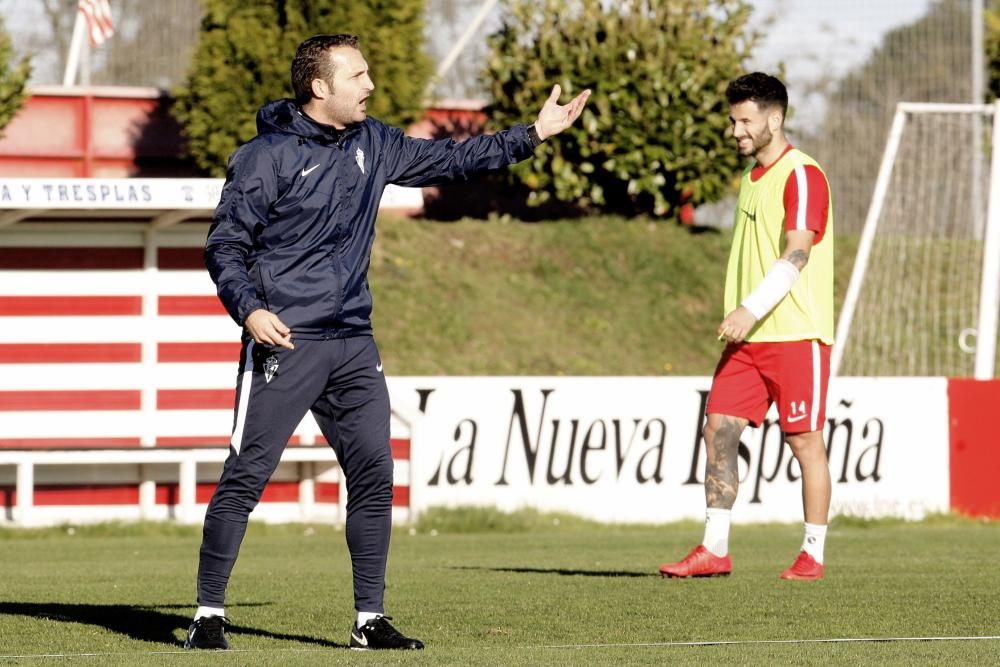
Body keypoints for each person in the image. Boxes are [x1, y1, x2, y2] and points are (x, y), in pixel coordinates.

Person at [185, 33, 590, 651]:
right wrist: (251, 311)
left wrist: (530, 135)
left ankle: (368, 621)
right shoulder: (264, 157)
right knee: (247, 475)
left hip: (352, 340)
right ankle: (208, 616)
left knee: (374, 474)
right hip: (285, 341)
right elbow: (225, 246)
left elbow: (455, 159)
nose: (370, 85)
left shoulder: (375, 143)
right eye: (357, 76)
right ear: (320, 87)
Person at [659, 73, 834, 582]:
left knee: (804, 443)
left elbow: (797, 253)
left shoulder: (802, 174)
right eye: (732, 120)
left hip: (796, 334)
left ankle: (813, 554)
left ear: (774, 120)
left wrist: (749, 309)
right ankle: (715, 548)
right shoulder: (749, 177)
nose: (735, 130)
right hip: (750, 340)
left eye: (745, 121)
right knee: (718, 430)